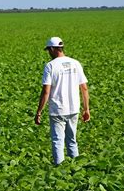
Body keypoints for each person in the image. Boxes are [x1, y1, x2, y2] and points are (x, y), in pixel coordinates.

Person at [35, 37, 90, 165]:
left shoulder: (50, 66)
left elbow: (46, 91)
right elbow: (84, 88)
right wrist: (86, 109)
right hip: (74, 109)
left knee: (58, 141)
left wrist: (39, 111)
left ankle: (59, 169)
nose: (49, 53)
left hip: (58, 110)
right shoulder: (75, 63)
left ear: (53, 49)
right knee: (72, 140)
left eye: (49, 50)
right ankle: (76, 168)